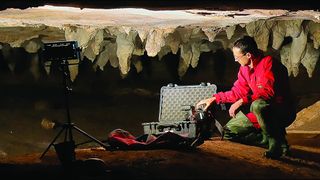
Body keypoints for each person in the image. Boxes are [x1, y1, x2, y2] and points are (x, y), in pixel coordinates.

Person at [196, 36, 296, 159]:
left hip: (280, 110)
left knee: (258, 104)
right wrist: (215, 98)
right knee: (228, 132)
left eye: (237, 57)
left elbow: (268, 93)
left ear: (248, 55)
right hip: (260, 113)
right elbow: (237, 91)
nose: (236, 60)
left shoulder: (268, 63)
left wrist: (242, 101)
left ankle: (275, 145)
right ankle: (268, 139)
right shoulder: (244, 69)